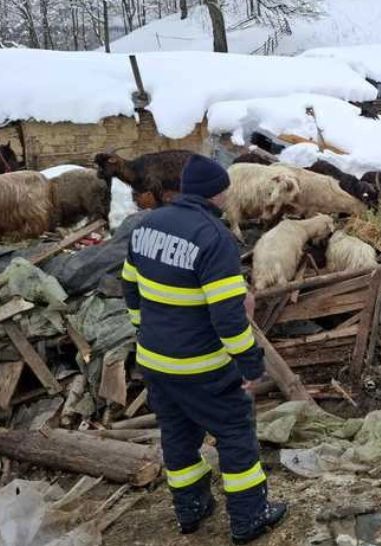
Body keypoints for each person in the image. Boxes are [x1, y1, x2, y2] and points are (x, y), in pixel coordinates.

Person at [121, 155, 287, 543]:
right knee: (234, 433)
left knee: (177, 433)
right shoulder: (214, 238)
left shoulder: (146, 225)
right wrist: (249, 363)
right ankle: (250, 517)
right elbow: (229, 317)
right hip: (200, 365)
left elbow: (129, 283)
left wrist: (142, 326)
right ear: (218, 193)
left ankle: (191, 509)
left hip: (155, 361)